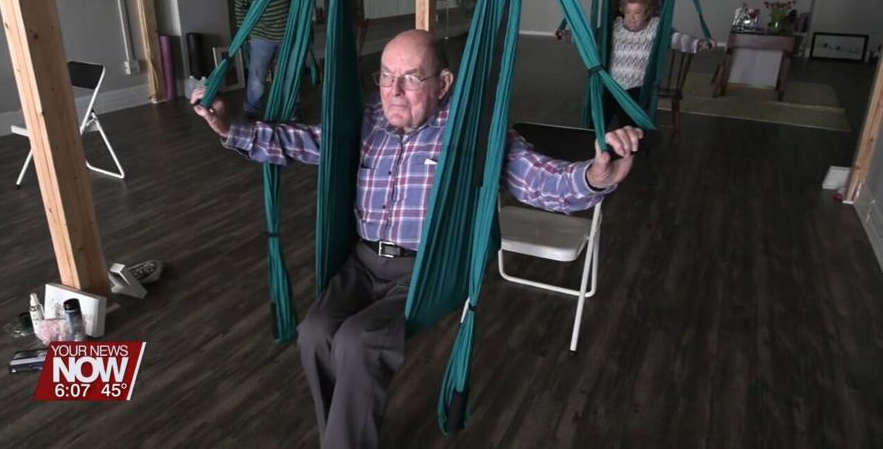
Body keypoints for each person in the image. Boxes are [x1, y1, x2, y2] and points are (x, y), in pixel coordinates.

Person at [191, 29, 644, 449]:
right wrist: (232, 130)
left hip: (426, 270)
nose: (394, 91)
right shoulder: (369, 119)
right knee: (315, 332)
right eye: (386, 77)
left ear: (443, 82)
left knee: (358, 340)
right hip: (362, 263)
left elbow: (537, 179)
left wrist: (594, 175)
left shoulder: (470, 132)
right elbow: (308, 141)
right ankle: (346, 435)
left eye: (410, 78)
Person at [604, 0, 712, 131]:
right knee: (598, 112)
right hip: (612, 84)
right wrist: (567, 35)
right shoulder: (615, 26)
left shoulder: (654, 27)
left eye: (637, 12)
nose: (631, 17)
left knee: (628, 120)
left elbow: (676, 38)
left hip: (637, 87)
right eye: (628, 12)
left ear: (646, 13)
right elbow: (590, 37)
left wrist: (699, 43)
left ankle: (629, 144)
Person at [234, 0, 290, 119]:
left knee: (289, 76)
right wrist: (245, 34)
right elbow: (240, 7)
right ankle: (251, 111)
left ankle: (290, 112)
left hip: (289, 32)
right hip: (261, 35)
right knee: (257, 79)